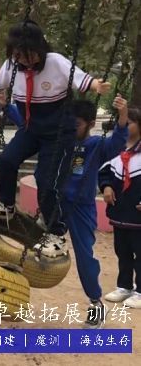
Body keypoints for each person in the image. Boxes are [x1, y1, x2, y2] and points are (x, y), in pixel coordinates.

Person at [0, 20, 110, 257]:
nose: (25, 60)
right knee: (6, 161)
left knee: (47, 184)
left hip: (58, 133)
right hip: (31, 129)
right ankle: (6, 205)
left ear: (39, 48)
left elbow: (85, 80)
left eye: (29, 54)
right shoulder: (13, 65)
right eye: (19, 55)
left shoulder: (56, 62)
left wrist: (97, 85)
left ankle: (56, 234)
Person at [0, 93, 129, 327]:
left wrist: (122, 115)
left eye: (76, 125)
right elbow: (29, 124)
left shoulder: (95, 145)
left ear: (90, 124)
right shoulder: (58, 137)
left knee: (84, 255)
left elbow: (117, 143)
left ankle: (96, 303)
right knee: (32, 239)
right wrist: (6, 106)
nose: (71, 128)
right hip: (53, 204)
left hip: (80, 207)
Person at [99, 106, 141, 309]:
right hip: (120, 210)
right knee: (122, 251)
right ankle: (124, 286)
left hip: (138, 213)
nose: (124, 126)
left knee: (140, 253)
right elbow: (104, 171)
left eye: (129, 123)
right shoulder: (117, 148)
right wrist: (106, 186)